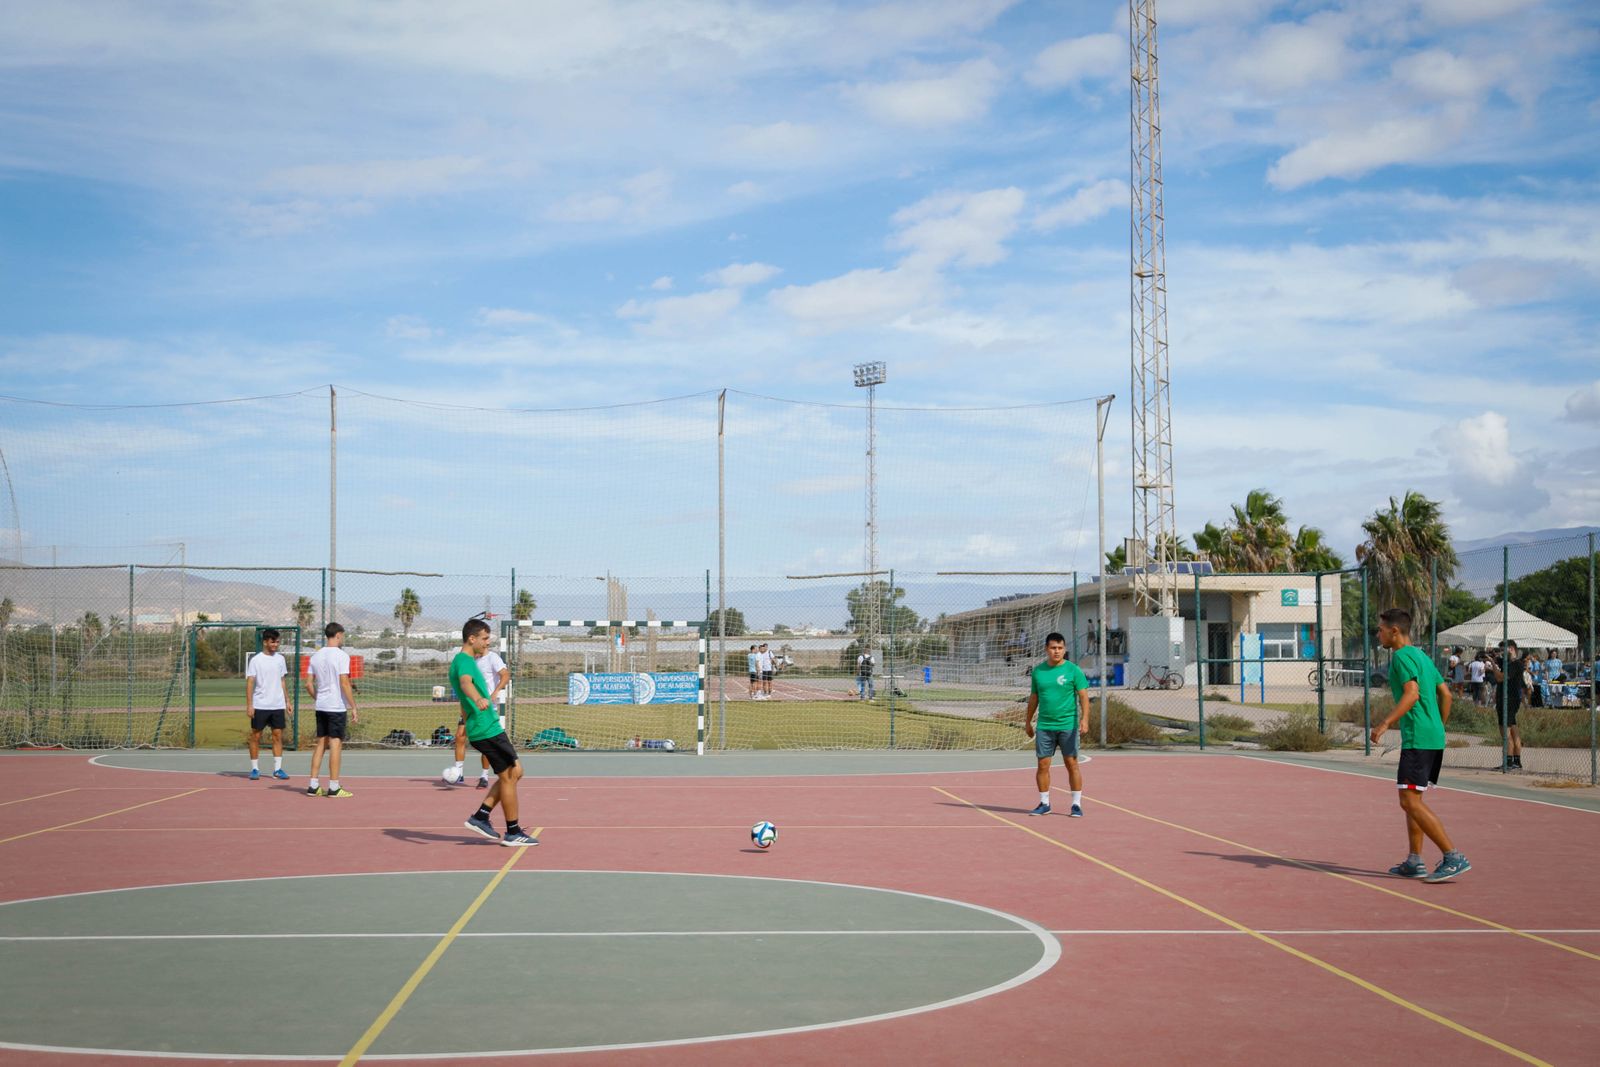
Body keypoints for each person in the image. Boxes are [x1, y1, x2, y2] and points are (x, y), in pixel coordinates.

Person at [1370, 607, 1469, 883]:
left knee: (1408, 800)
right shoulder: (1423, 657)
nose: (1378, 634)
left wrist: (1385, 723)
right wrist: (1437, 726)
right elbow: (1446, 695)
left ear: (1394, 631)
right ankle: (1414, 860)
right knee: (1413, 799)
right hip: (1432, 736)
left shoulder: (1401, 656)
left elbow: (1412, 694)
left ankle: (1453, 856)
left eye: (1380, 629)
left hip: (1419, 738)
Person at [452, 618, 537, 846]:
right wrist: (478, 698)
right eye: (485, 638)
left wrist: (470, 710)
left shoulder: (464, 660)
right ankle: (513, 831)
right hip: (485, 727)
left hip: (487, 724)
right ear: (472, 639)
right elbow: (464, 683)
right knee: (509, 776)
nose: (487, 643)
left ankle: (481, 815)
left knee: (516, 771)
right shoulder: (465, 661)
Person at [1022, 632, 1090, 818]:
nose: (1057, 651)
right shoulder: (1038, 672)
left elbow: (1083, 696)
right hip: (1045, 726)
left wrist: (1084, 720)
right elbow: (1034, 698)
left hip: (1068, 725)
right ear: (1047, 649)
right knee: (1043, 765)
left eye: (1060, 648)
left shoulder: (1073, 670)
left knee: (1071, 763)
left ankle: (1076, 805)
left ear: (1064, 649)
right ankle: (1045, 803)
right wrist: (1028, 722)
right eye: (1053, 648)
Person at [304, 622, 358, 797]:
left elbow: (308, 684)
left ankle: (313, 785)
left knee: (321, 742)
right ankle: (334, 787)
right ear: (338, 635)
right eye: (343, 636)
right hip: (336, 706)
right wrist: (354, 706)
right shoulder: (342, 656)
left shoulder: (315, 656)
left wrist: (318, 698)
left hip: (321, 706)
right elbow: (344, 682)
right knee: (335, 744)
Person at [448, 635, 508, 788]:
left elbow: (505, 675)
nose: (485, 643)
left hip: (486, 707)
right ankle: (459, 774)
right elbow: (465, 683)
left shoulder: (492, 658)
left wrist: (495, 693)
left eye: (486, 639)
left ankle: (484, 775)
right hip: (470, 707)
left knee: (486, 741)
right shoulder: (469, 661)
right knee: (460, 736)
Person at [244, 628, 292, 781]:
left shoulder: (280, 659)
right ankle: (255, 769)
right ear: (265, 642)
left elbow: (282, 681)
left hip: (277, 705)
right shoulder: (256, 660)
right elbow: (250, 682)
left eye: (277, 642)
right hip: (260, 705)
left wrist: (287, 701)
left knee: (277, 736)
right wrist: (250, 705)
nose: (275, 644)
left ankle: (277, 770)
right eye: (272, 641)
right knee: (256, 736)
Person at [1489, 640, 1526, 771]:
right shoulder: (1509, 663)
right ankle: (1516, 761)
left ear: (1510, 649)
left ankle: (1508, 762)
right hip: (1508, 699)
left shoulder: (1515, 664)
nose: (1501, 654)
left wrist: (1493, 665)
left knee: (1505, 732)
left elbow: (1500, 678)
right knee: (1514, 730)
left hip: (1508, 700)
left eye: (1503, 650)